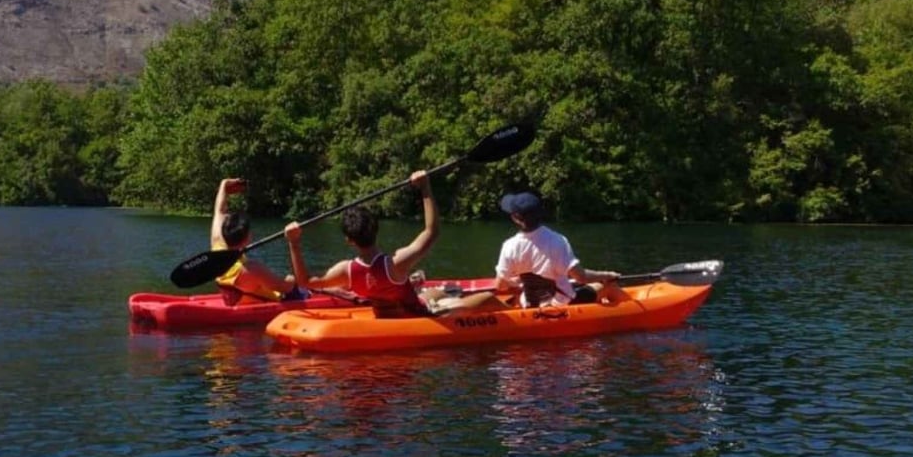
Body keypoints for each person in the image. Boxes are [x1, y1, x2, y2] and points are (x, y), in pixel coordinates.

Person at [283, 170, 494, 318]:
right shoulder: (396, 263)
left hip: (387, 315)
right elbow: (432, 231)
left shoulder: (345, 271)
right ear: (376, 229)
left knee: (438, 292)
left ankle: (445, 292)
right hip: (417, 317)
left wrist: (293, 243)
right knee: (487, 298)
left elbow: (305, 281)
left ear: (349, 240)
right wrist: (425, 187)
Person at [494, 191, 622, 308]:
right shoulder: (558, 240)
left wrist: (515, 281)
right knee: (608, 286)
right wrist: (608, 275)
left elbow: (500, 286)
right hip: (561, 304)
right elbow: (581, 277)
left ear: (515, 218)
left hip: (529, 304)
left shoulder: (509, 246)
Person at [210, 177, 306, 306]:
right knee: (300, 285)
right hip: (277, 300)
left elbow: (219, 210)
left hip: (235, 299)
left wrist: (224, 185)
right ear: (248, 238)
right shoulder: (251, 268)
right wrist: (291, 279)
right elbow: (285, 287)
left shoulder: (217, 246)